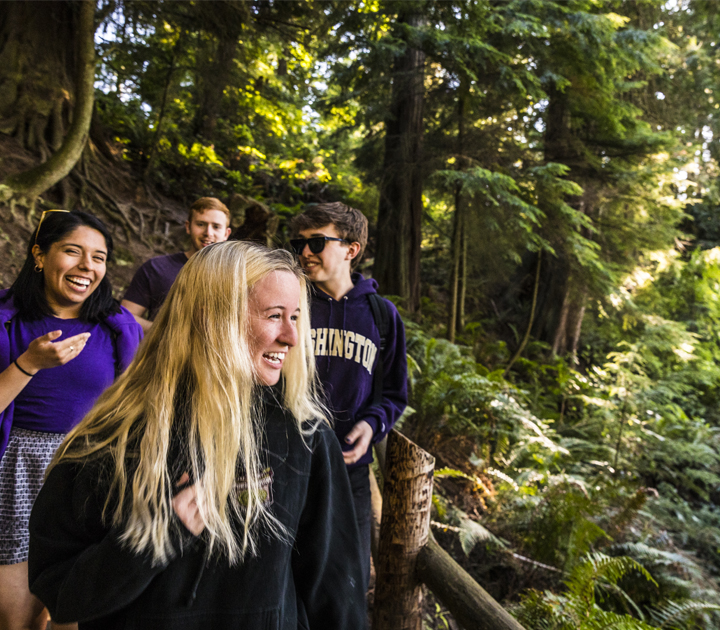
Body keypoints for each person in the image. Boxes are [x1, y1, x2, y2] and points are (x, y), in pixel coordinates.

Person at [28, 241, 367, 629]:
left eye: (295, 317)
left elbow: (335, 590)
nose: (291, 337)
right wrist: (153, 539)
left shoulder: (303, 435)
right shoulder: (114, 436)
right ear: (211, 317)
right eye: (274, 316)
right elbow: (59, 592)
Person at [0, 210, 143, 630]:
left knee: (74, 611)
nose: (87, 267)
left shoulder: (117, 328)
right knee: (19, 618)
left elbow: (131, 409)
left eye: (98, 257)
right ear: (39, 256)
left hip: (87, 468)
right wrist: (28, 363)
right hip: (15, 471)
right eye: (73, 252)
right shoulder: (8, 320)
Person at [289, 202, 408, 589]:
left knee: (348, 581)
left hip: (349, 472)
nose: (306, 252)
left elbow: (394, 393)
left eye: (317, 243)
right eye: (301, 244)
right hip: (287, 464)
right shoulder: (291, 304)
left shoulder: (381, 315)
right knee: (286, 576)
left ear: (351, 249)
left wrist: (372, 426)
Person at [121, 197, 232, 332]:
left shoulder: (237, 277)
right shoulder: (156, 268)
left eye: (216, 227)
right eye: (201, 224)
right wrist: (163, 333)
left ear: (226, 234)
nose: (208, 233)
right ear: (188, 227)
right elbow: (126, 316)